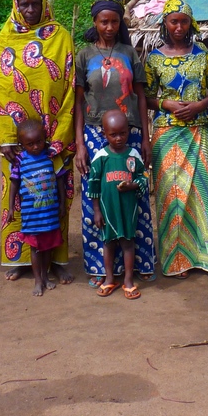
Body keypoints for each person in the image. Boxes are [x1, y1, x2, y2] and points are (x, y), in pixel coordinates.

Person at [0, 0, 76, 284]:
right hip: (18, 142)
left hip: (52, 138)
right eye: (24, 4)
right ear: (16, 5)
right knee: (19, 200)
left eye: (35, 4)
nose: (30, 10)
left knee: (55, 198)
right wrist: (6, 139)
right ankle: (21, 259)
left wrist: (61, 137)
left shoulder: (61, 37)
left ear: (44, 5)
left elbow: (68, 87)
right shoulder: (6, 36)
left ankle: (57, 260)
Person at [74, 0, 155, 284]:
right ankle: (102, 270)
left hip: (129, 133)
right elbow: (79, 102)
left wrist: (145, 137)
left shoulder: (130, 54)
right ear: (94, 22)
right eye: (103, 21)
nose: (109, 27)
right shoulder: (84, 55)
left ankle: (139, 267)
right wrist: (80, 144)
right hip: (96, 135)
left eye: (114, 21)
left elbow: (141, 97)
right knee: (97, 197)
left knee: (133, 195)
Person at [144, 0, 208, 279]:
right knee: (170, 196)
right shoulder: (154, 58)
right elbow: (146, 96)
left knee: (203, 193)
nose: (178, 26)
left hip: (198, 129)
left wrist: (201, 105)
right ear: (164, 23)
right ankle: (176, 261)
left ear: (191, 23)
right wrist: (166, 104)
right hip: (166, 133)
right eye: (173, 21)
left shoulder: (202, 53)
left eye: (183, 21)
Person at [87, 110, 147, 299]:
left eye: (123, 133)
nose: (119, 138)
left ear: (128, 131)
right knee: (109, 243)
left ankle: (128, 280)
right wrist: (97, 211)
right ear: (105, 134)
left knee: (128, 243)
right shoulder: (101, 157)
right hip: (108, 210)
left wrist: (133, 185)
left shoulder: (133, 155)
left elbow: (143, 177)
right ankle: (109, 278)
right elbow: (93, 185)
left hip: (128, 210)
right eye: (113, 134)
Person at [4, 119, 65, 297]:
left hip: (50, 213)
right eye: (30, 144)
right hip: (31, 215)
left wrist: (62, 203)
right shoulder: (20, 160)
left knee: (47, 247)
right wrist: (10, 208)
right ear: (21, 145)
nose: (36, 146)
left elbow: (60, 179)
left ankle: (45, 277)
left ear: (45, 138)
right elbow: (14, 184)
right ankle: (38, 280)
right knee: (35, 248)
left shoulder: (51, 156)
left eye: (38, 141)